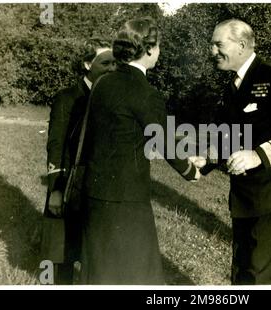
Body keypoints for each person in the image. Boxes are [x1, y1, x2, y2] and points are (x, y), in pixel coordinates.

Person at [80, 17, 201, 284]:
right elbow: (163, 141)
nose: (159, 52)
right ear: (148, 50)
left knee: (100, 271)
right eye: (157, 47)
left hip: (95, 191)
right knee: (137, 273)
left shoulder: (102, 83)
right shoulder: (146, 93)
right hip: (127, 197)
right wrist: (190, 169)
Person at [205, 19, 271, 284]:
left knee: (262, 277)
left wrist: (258, 155)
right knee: (242, 272)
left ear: (241, 45)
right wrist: (207, 159)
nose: (212, 51)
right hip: (246, 196)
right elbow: (232, 133)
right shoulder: (235, 84)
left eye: (218, 44)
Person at [42, 38, 116, 284]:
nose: (111, 68)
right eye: (105, 62)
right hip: (69, 185)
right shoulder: (67, 98)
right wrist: (55, 189)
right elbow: (56, 144)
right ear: (87, 64)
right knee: (62, 253)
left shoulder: (110, 99)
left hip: (97, 188)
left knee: (92, 254)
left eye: (115, 63)